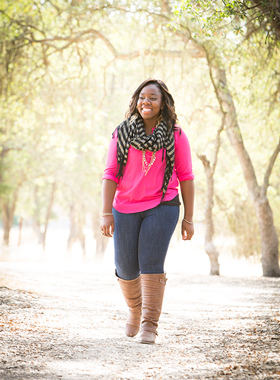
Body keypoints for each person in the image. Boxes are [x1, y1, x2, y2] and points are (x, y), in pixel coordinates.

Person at [100, 78, 194, 344]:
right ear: (136, 101)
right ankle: (135, 310)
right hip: (125, 206)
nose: (146, 102)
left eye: (153, 97)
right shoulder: (122, 133)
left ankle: (150, 325)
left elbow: (186, 176)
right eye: (142, 97)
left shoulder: (175, 135)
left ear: (163, 103)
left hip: (163, 205)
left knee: (151, 263)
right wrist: (105, 212)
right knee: (126, 267)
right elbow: (110, 173)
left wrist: (189, 218)